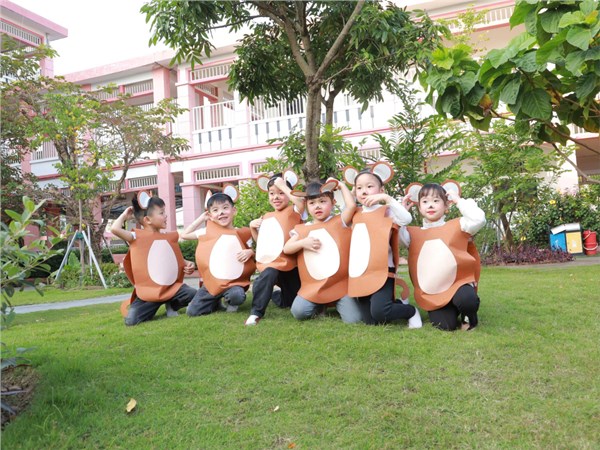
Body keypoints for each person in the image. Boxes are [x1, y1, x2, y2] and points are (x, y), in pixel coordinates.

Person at [400, 182, 486, 331]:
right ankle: (452, 308)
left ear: (446, 206)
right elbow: (397, 237)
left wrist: (458, 200)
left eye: (436, 201)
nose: (430, 205)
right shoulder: (411, 233)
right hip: (433, 291)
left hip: (458, 284)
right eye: (425, 202)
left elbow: (478, 219)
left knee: (467, 299)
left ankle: (468, 317)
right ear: (419, 208)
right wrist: (402, 213)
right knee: (445, 326)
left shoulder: (459, 225)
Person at [347, 165, 422, 328]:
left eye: (369, 186)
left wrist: (388, 199)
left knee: (381, 312)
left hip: (382, 269)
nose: (364, 191)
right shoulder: (355, 213)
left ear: (381, 190)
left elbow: (406, 219)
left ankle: (410, 311)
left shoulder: (387, 211)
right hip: (361, 271)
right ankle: (397, 303)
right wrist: (350, 193)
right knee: (371, 321)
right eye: (359, 188)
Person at [283, 179, 367, 324]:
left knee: (354, 320)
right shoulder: (302, 229)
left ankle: (338, 301)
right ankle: (319, 304)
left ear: (333, 202)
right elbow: (287, 248)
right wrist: (302, 243)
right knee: (299, 312)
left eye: (322, 201)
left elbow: (351, 205)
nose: (317, 206)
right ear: (306, 205)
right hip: (313, 286)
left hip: (339, 285)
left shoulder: (339, 221)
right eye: (312, 203)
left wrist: (341, 185)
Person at [111, 194, 197, 326]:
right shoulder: (135, 237)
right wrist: (124, 215)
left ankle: (172, 304)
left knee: (193, 294)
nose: (166, 216)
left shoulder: (167, 237)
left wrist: (188, 264)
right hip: (149, 292)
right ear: (147, 219)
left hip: (171, 288)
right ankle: (156, 304)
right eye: (161, 213)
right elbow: (115, 229)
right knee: (131, 321)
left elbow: (172, 257)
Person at [180, 187, 256, 316]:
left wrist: (250, 252)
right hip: (212, 283)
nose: (221, 213)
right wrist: (201, 218)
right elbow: (184, 235)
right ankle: (215, 302)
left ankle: (231, 304)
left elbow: (253, 252)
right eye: (215, 210)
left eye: (225, 208)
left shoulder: (242, 233)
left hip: (234, 283)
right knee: (192, 312)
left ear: (234, 210)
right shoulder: (206, 232)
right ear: (210, 215)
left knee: (237, 295)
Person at [245, 174, 306, 326]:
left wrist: (283, 185)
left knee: (290, 302)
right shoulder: (267, 216)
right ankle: (256, 313)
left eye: (281, 193)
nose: (276, 197)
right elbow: (263, 244)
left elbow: (300, 202)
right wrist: (252, 228)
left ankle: (276, 295)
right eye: (272, 193)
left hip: (292, 266)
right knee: (269, 273)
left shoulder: (294, 210)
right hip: (272, 264)